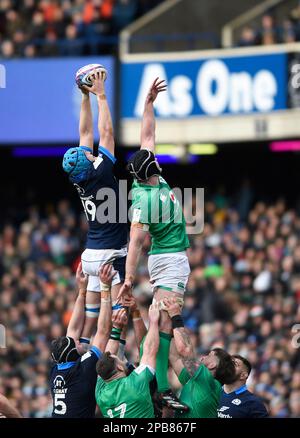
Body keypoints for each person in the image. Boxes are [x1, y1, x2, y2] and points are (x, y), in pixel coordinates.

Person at [118, 77, 190, 411]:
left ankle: (162, 384)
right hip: (168, 259)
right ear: (150, 174)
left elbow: (148, 135)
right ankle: (161, 386)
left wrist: (148, 103)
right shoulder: (144, 200)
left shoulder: (148, 176)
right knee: (163, 319)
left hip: (168, 256)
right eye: (156, 167)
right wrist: (129, 278)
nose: (159, 166)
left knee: (160, 320)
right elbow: (134, 243)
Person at [62, 69, 127, 349]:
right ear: (87, 163)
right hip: (107, 253)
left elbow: (86, 132)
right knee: (115, 315)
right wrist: (100, 94)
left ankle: (82, 352)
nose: (90, 151)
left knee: (89, 319)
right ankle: (112, 359)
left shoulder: (83, 174)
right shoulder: (100, 173)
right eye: (87, 153)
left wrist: (84, 96)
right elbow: (107, 132)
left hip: (90, 256)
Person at [50, 263, 113, 418]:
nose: (77, 341)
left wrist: (82, 291)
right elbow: (103, 332)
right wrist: (105, 289)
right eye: (75, 343)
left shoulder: (62, 368)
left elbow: (73, 330)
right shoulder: (69, 371)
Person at [163, 297, 236, 418]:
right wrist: (167, 323)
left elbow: (184, 350)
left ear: (213, 365)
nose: (203, 357)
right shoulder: (194, 381)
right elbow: (174, 357)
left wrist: (175, 316)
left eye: (209, 355)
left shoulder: (210, 383)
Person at [95, 303, 161, 418]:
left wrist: (117, 328)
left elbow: (106, 358)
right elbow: (150, 350)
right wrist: (154, 322)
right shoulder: (135, 383)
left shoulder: (100, 393)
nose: (123, 360)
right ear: (119, 367)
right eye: (120, 360)